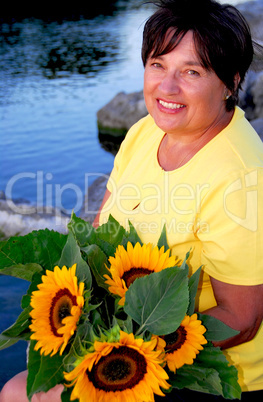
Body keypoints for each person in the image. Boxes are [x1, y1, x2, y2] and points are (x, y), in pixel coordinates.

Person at [1, 0, 263, 401]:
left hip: (212, 373)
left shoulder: (242, 180)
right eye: (158, 65)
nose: (167, 87)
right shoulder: (144, 131)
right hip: (125, 339)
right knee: (21, 388)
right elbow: (99, 232)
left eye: (191, 71)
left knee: (23, 394)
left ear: (231, 81)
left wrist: (128, 350)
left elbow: (241, 319)